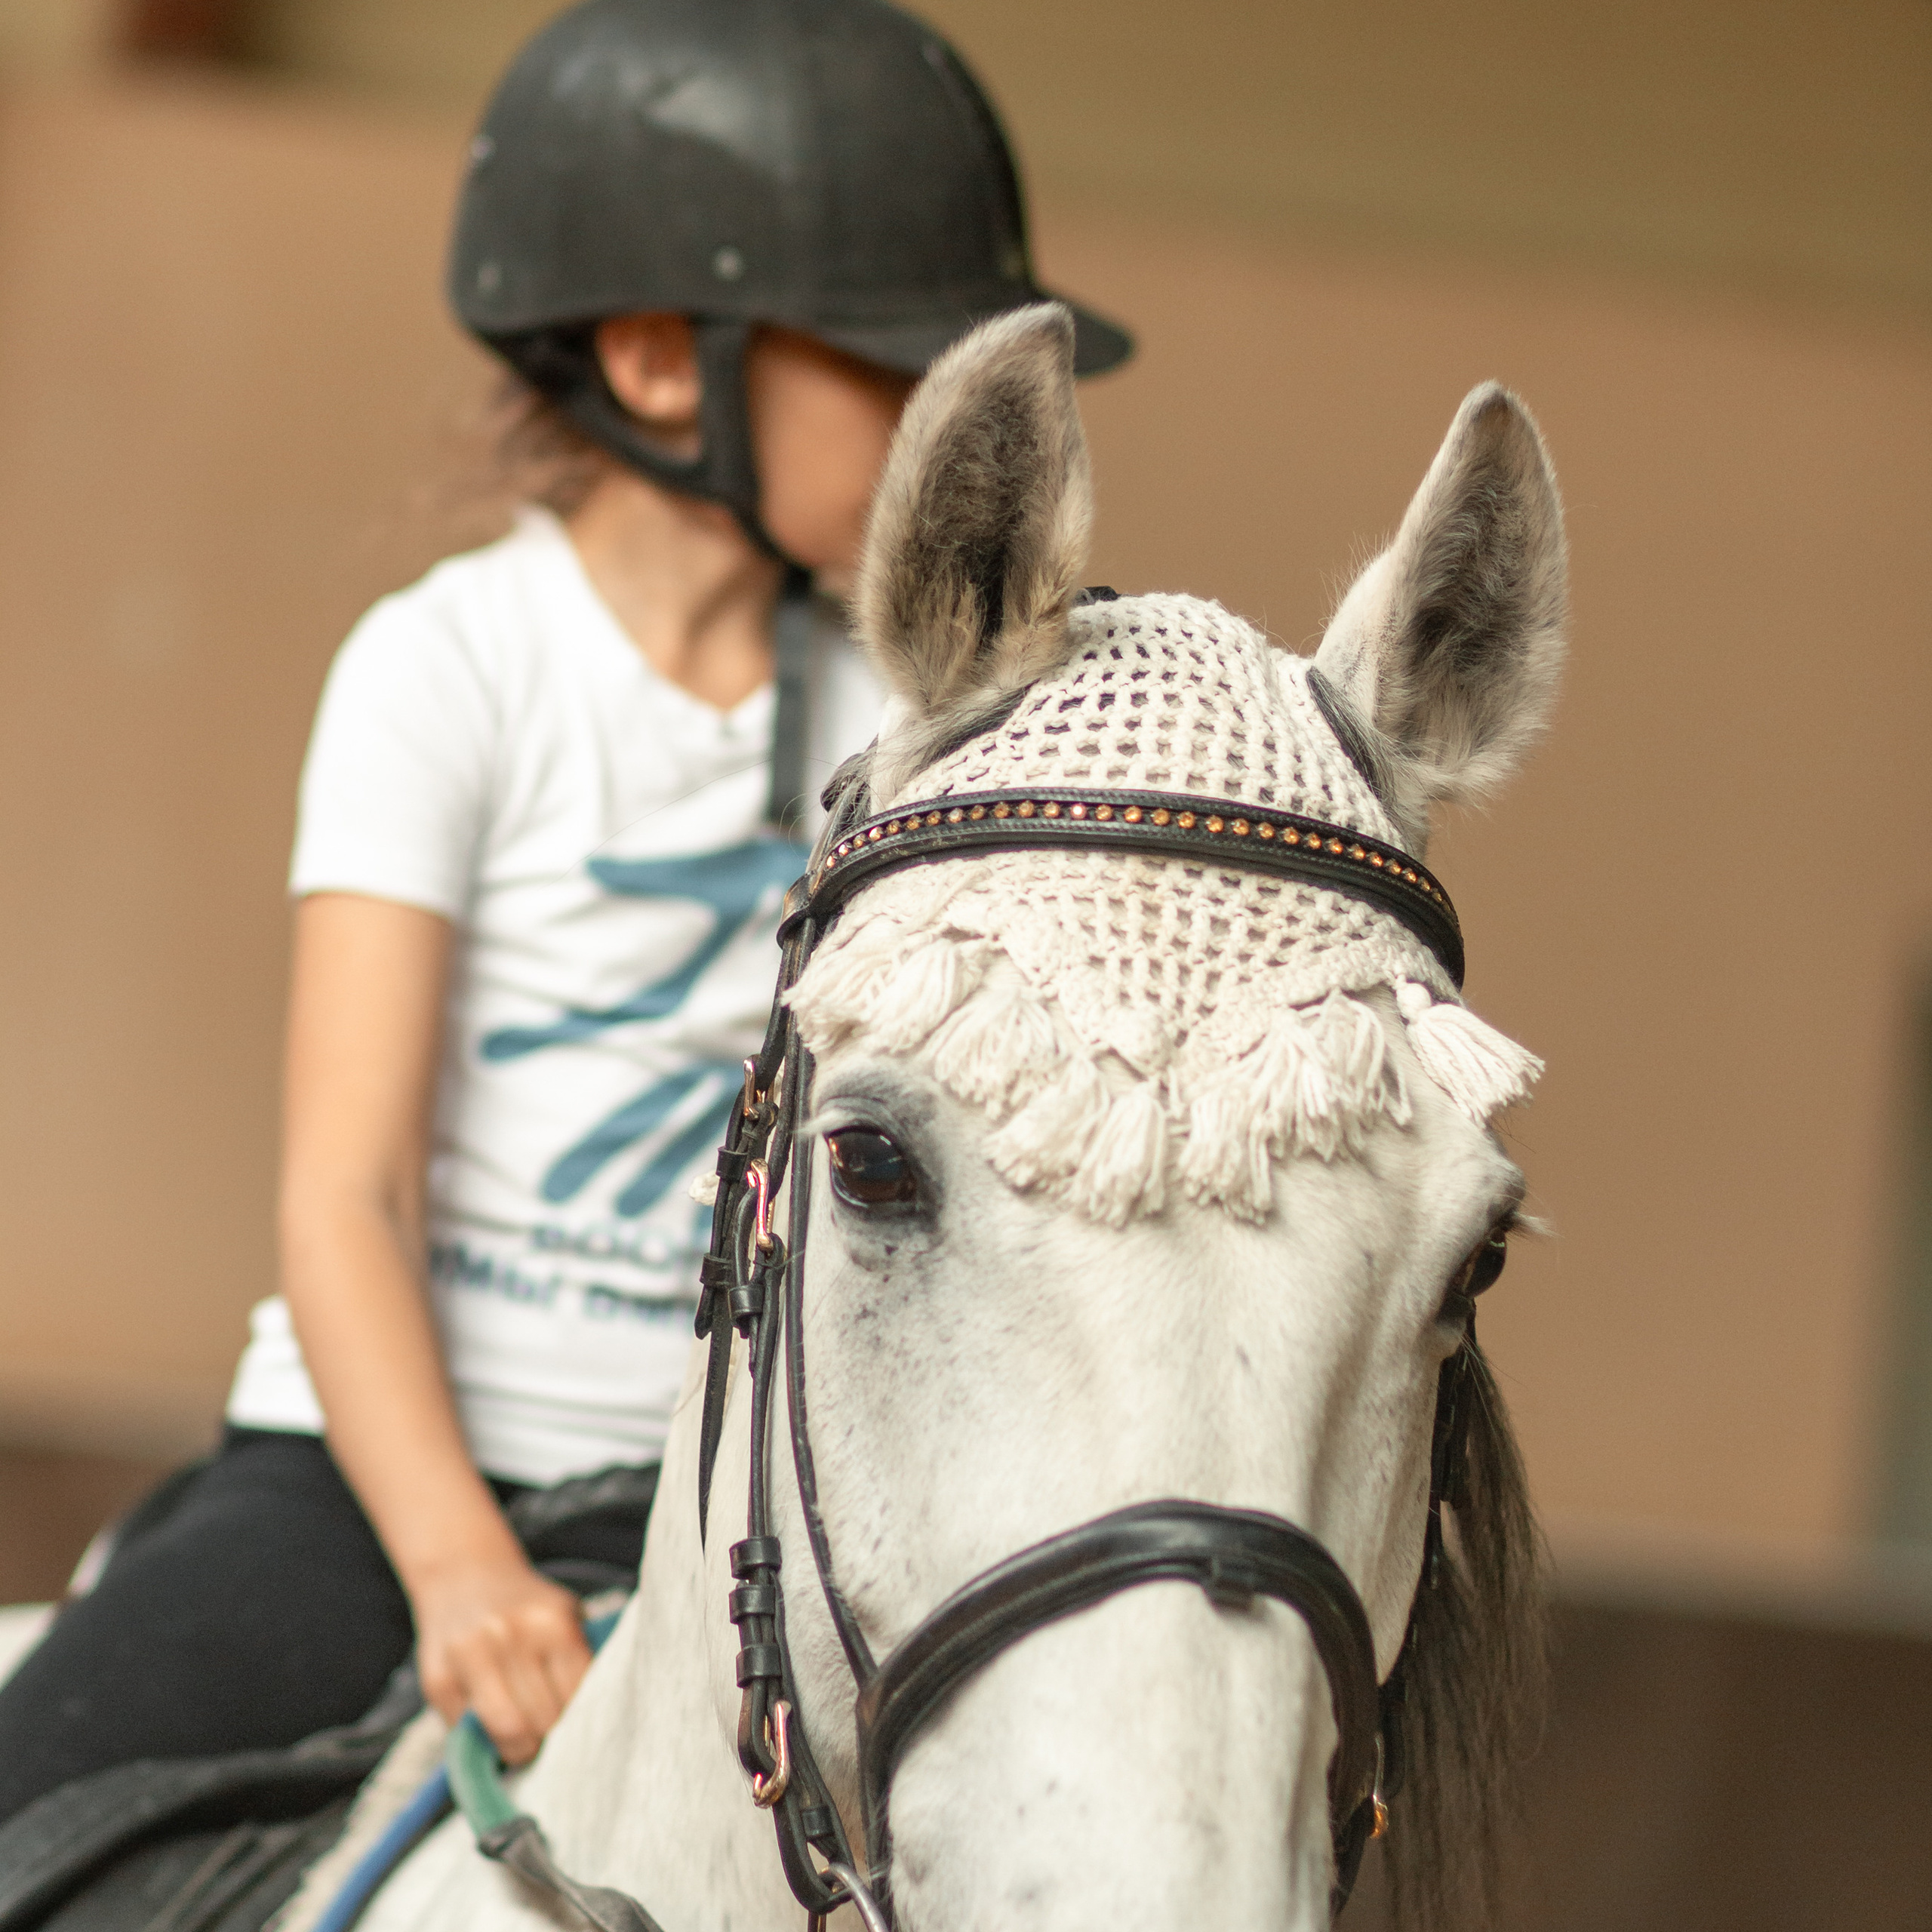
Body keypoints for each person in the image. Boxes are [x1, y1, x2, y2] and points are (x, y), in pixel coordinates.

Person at [0, 0, 1130, 1829]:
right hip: (373, 1487)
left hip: (731, 1499)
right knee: (30, 1804)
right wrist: (453, 1563)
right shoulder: (447, 665)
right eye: (888, 362)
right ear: (660, 360)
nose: (947, 424)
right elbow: (339, 1195)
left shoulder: (894, 720)